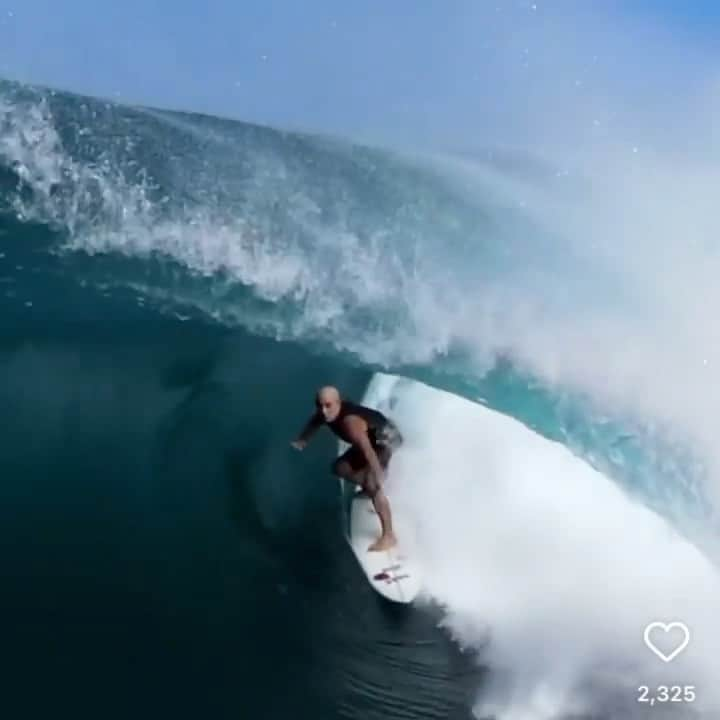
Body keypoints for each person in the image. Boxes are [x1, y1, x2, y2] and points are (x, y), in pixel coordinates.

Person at [291, 385, 403, 551]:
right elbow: (314, 422)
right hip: (371, 438)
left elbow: (368, 452)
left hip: (387, 441)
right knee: (339, 468)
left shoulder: (351, 424)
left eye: (328, 405)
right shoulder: (325, 413)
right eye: (319, 405)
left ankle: (389, 535)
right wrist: (302, 440)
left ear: (338, 403)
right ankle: (369, 487)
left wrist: (377, 476)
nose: (323, 410)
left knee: (372, 483)